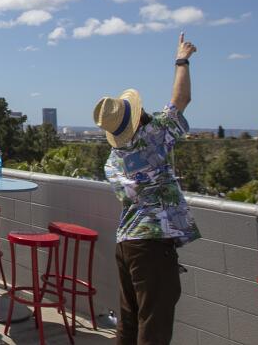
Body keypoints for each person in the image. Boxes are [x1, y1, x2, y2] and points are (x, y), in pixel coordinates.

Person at [98, 32, 200, 345]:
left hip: (126, 242)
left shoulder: (114, 159)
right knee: (154, 325)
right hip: (152, 244)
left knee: (129, 322)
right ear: (138, 115)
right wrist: (181, 59)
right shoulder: (153, 137)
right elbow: (180, 101)